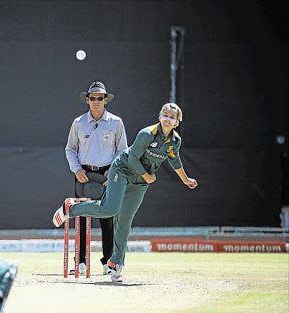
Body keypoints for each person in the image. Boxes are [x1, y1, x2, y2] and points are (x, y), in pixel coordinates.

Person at [53, 103, 198, 282]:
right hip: (122, 170)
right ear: (160, 116)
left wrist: (186, 180)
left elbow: (175, 160)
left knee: (125, 220)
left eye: (172, 117)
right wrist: (147, 176)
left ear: (177, 122)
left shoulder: (175, 141)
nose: (167, 119)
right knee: (110, 210)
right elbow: (132, 158)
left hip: (140, 181)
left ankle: (116, 264)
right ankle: (70, 210)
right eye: (165, 115)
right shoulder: (147, 134)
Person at [64, 80, 127, 275]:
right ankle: (81, 262)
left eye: (100, 98)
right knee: (82, 216)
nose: (96, 101)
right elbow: (70, 149)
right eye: (93, 98)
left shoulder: (116, 122)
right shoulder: (78, 123)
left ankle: (108, 262)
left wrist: (114, 171)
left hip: (108, 174)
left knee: (108, 217)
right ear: (88, 100)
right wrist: (76, 169)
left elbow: (122, 150)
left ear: (106, 100)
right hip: (84, 174)